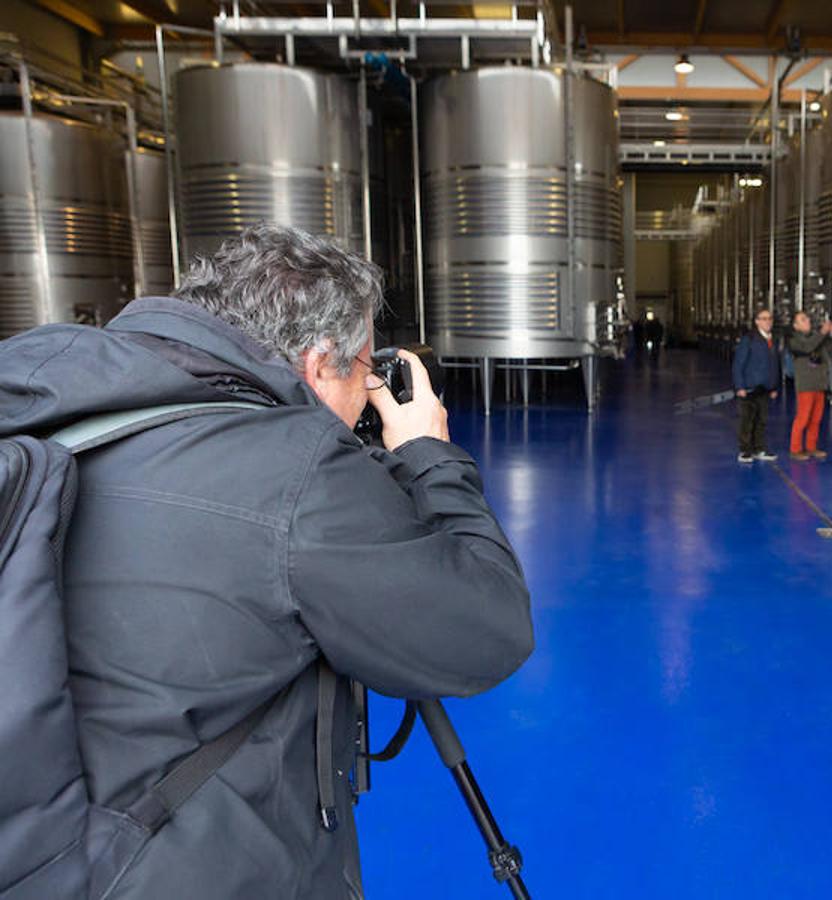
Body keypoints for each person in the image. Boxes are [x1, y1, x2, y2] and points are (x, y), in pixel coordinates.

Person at [0, 224, 533, 899]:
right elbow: (488, 631)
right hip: (182, 870)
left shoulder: (44, 389)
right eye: (365, 371)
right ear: (316, 367)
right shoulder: (295, 473)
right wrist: (428, 453)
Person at [787, 311, 832, 461]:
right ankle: (795, 449)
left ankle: (811, 447)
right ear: (795, 326)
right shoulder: (795, 340)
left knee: (816, 419)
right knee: (803, 418)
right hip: (806, 385)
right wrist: (822, 333)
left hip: (819, 384)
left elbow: (830, 348)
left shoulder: (816, 337)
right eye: (803, 319)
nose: (808, 321)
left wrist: (831, 335)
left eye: (807, 318)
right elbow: (808, 347)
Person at [732, 307, 781, 463]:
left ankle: (759, 448)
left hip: (765, 389)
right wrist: (739, 386)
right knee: (747, 420)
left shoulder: (773, 340)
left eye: (770, 319)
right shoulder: (749, 339)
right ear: (757, 321)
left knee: (761, 420)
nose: (768, 322)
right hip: (749, 388)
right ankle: (745, 450)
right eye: (764, 318)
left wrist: (774, 387)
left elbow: (775, 365)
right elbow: (738, 364)